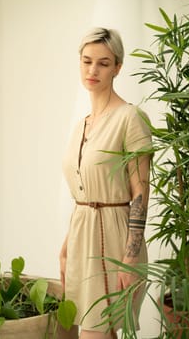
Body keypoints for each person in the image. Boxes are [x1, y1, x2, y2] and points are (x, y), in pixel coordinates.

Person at [60, 27, 152, 339]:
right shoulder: (80, 125)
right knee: (96, 330)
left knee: (93, 333)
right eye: (87, 61)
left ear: (117, 68)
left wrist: (129, 258)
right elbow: (82, 192)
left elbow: (140, 191)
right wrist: (66, 245)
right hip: (81, 239)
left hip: (115, 238)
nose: (93, 70)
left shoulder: (130, 118)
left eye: (103, 62)